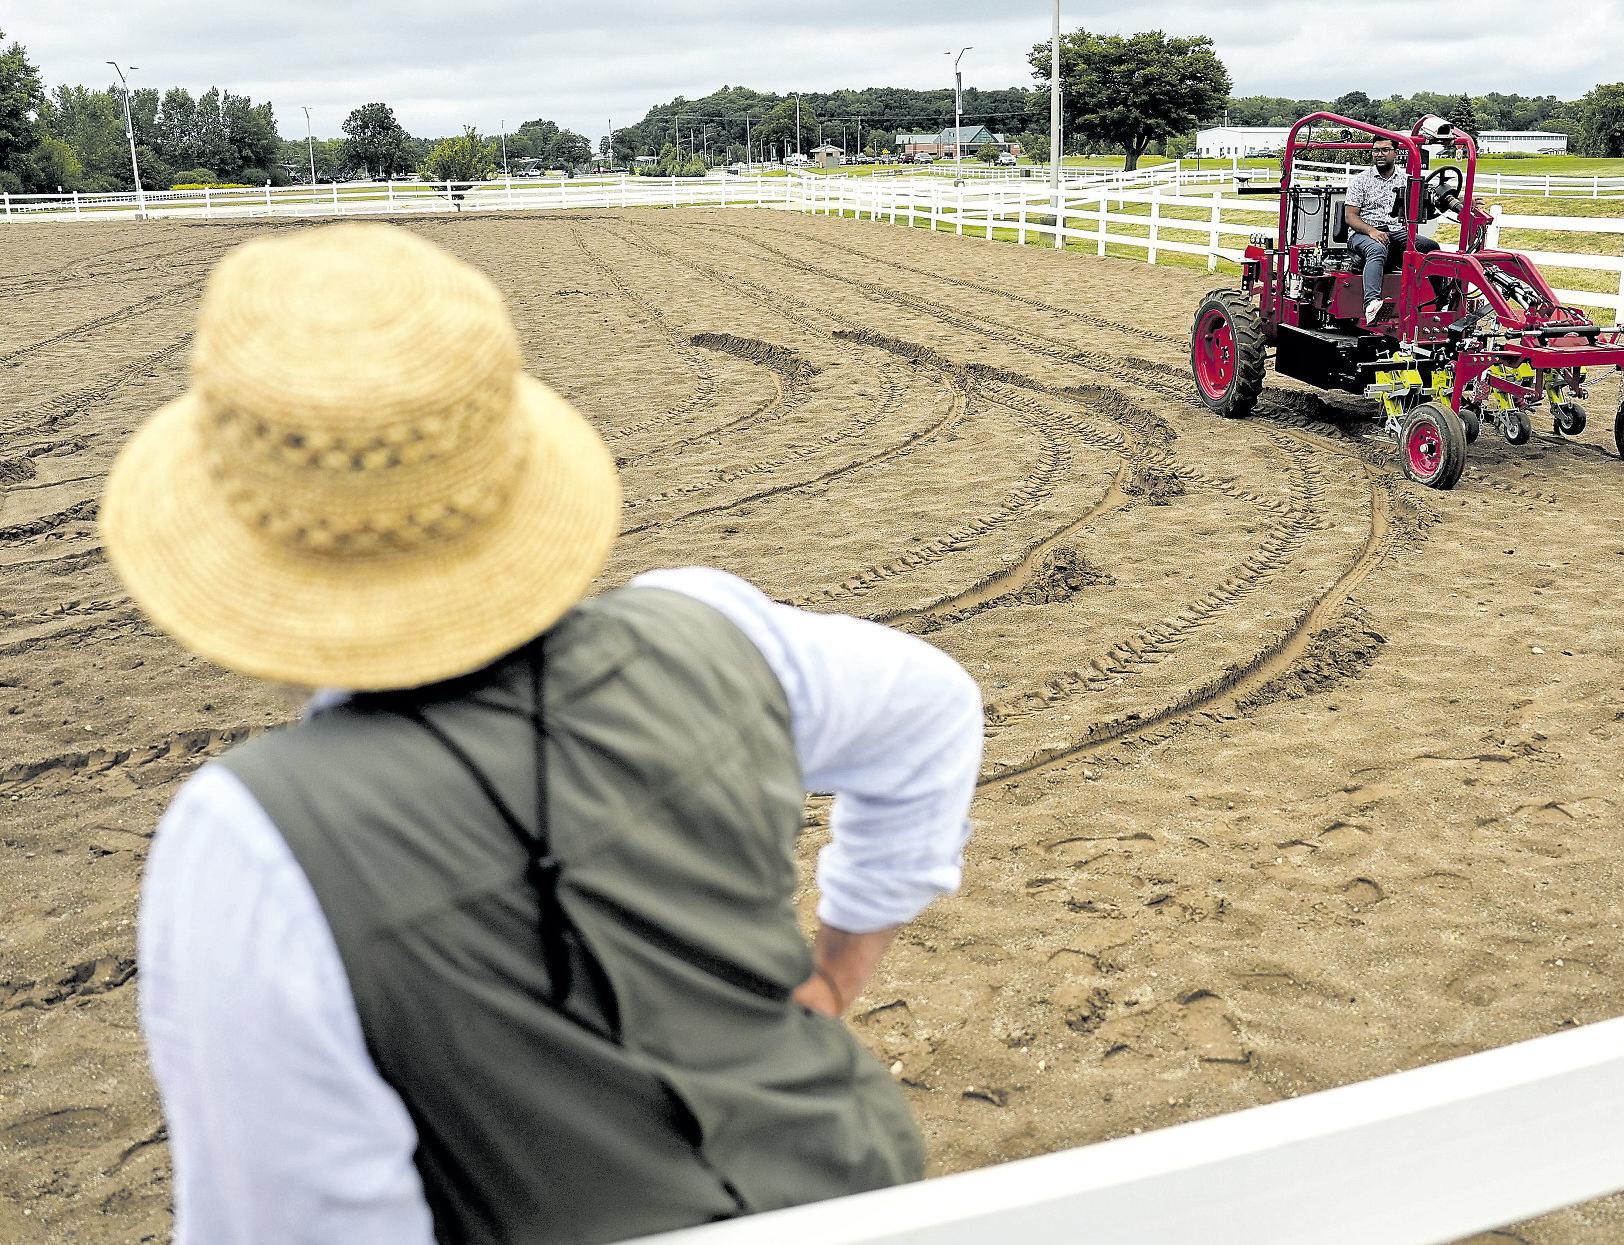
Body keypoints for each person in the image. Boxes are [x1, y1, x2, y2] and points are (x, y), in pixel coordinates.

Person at [105, 223, 984, 1245]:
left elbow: (308, 1218)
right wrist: (837, 974)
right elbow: (931, 708)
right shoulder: (712, 629)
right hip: (861, 1196)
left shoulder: (250, 838)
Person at [1344, 135, 1441, 324]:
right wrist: (1372, 231)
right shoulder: (1361, 180)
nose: (1379, 154)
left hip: (1395, 231)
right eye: (1376, 150)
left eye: (1385, 150)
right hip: (1363, 233)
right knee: (1377, 248)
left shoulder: (1407, 180)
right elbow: (1351, 217)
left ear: (1396, 153)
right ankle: (1371, 304)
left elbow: (1431, 203)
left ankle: (1439, 300)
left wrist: (1463, 204)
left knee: (1431, 247)